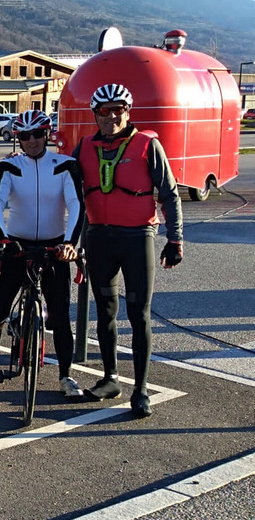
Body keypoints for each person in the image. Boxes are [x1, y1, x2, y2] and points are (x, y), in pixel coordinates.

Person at [72, 84, 183, 417]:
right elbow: (64, 188)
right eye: (104, 111)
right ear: (95, 115)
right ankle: (110, 378)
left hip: (137, 238)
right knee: (105, 311)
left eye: (118, 109)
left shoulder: (147, 145)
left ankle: (141, 389)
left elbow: (169, 194)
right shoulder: (84, 147)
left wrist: (175, 239)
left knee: (139, 314)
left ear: (128, 111)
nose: (111, 116)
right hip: (99, 238)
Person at [0, 110, 86, 398]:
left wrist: (70, 243)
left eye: (38, 134)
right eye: (25, 136)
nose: (32, 140)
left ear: (47, 134)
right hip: (16, 246)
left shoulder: (65, 164)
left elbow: (75, 204)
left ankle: (66, 376)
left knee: (60, 317)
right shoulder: (10, 165)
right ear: (18, 138)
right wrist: (3, 240)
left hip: (55, 247)